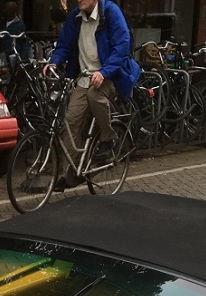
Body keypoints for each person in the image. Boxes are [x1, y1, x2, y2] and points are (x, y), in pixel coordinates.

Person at [44, 0, 140, 170]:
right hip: (84, 77)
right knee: (70, 121)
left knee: (94, 95)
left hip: (112, 75)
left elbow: (122, 46)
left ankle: (107, 138)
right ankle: (70, 171)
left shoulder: (111, 12)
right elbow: (64, 44)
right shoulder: (75, 16)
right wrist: (54, 63)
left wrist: (104, 72)